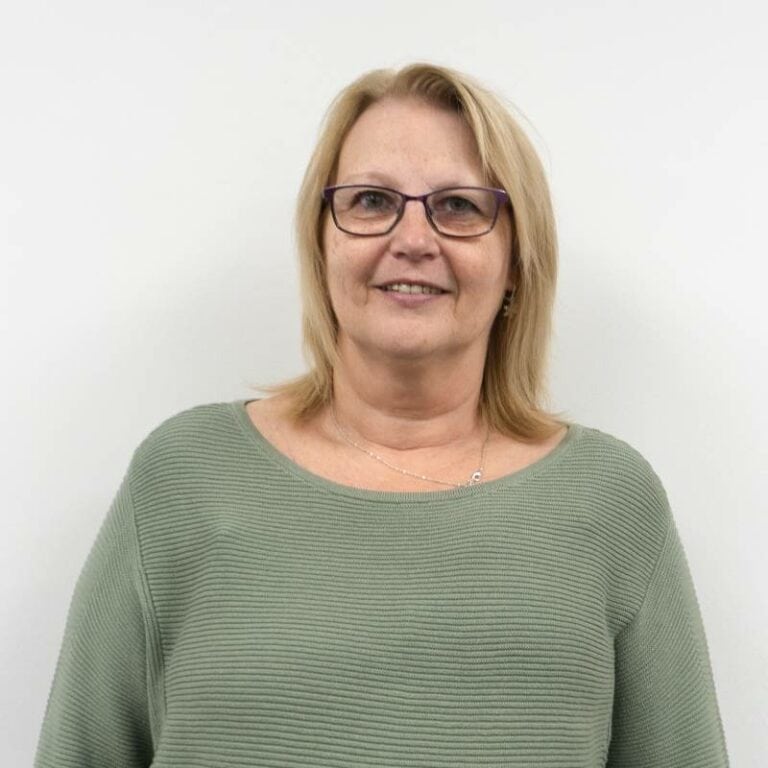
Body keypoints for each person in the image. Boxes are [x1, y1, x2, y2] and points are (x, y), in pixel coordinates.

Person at [34, 63, 729, 767]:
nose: (414, 238)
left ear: (517, 257)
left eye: (459, 206)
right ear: (322, 241)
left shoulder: (610, 502)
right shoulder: (182, 480)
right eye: (370, 201)